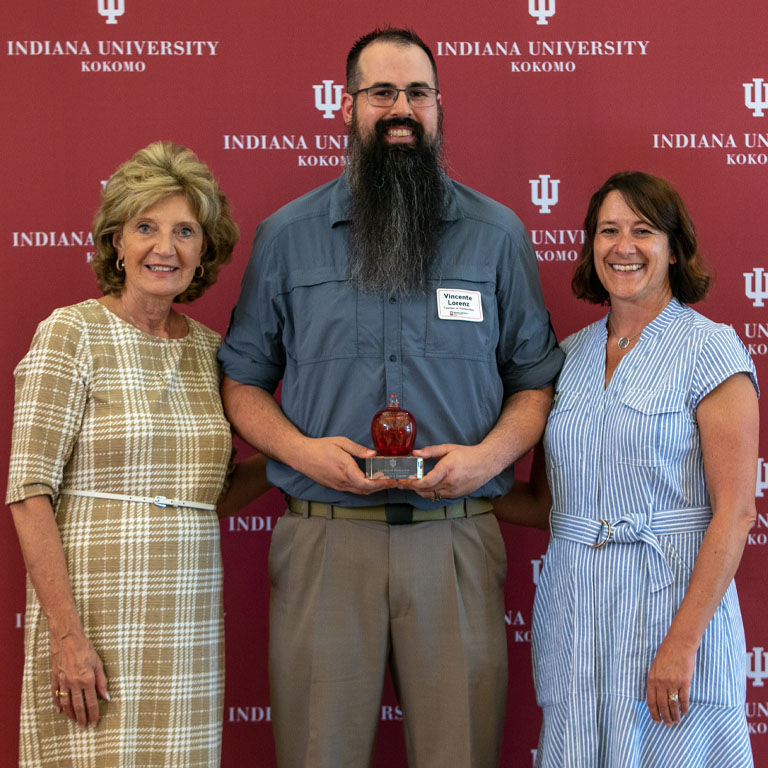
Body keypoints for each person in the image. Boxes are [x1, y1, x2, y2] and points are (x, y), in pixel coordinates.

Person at [218, 27, 563, 768]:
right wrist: (304, 451)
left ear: (439, 107)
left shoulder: (498, 236)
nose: (400, 108)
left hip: (457, 537)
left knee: (460, 753)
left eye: (417, 93)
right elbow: (242, 383)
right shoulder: (285, 237)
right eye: (381, 92)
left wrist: (488, 458)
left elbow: (536, 384)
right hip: (324, 538)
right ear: (346, 108)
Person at [6, 141, 268, 767]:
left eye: (185, 231)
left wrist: (298, 460)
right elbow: (28, 491)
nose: (165, 247)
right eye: (146, 227)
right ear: (115, 242)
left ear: (204, 250)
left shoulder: (212, 352)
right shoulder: (70, 333)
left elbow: (209, 493)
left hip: (187, 620)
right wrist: (67, 637)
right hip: (92, 617)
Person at [495, 171, 758, 767]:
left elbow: (736, 512)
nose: (624, 246)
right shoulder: (571, 356)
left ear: (674, 246)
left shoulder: (710, 348)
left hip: (672, 609)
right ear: (589, 246)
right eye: (608, 231)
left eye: (643, 230)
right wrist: (453, 485)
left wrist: (684, 641)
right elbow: (547, 505)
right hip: (577, 618)